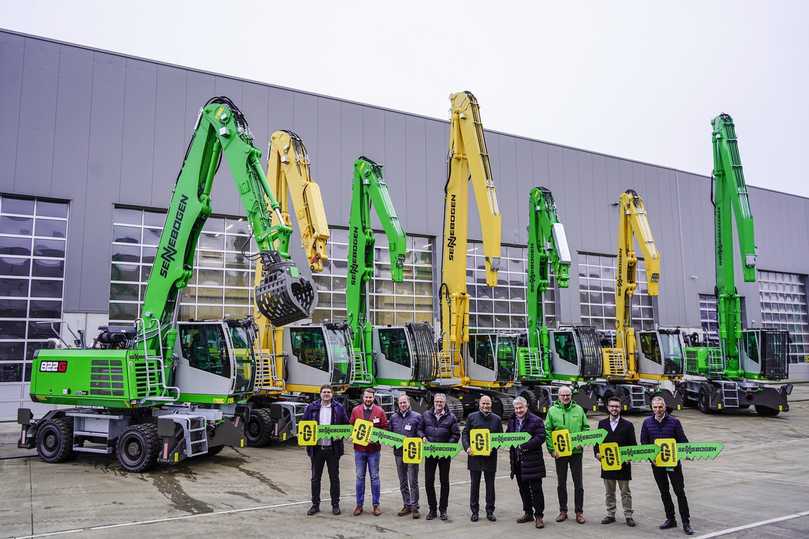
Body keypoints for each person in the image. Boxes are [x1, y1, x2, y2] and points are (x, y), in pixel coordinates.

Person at [641, 395, 694, 535]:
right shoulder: (647, 423)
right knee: (664, 492)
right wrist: (650, 457)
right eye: (655, 407)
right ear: (651, 408)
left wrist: (688, 453)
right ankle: (671, 519)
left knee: (679, 492)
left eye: (660, 407)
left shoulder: (674, 422)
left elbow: (683, 441)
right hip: (657, 464)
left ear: (665, 407)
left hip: (673, 464)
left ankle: (686, 522)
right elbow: (644, 443)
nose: (658, 410)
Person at [301, 384, 350, 516]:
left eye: (329, 392)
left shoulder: (339, 408)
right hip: (317, 449)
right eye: (324, 392)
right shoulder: (311, 408)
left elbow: (346, 425)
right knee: (315, 479)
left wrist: (342, 434)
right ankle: (315, 505)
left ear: (332, 394)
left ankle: (335, 505)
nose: (326, 394)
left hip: (333, 449)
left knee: (334, 478)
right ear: (320, 394)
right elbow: (304, 424)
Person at [545, 385, 589, 524]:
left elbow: (586, 428)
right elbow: (548, 431)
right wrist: (552, 450)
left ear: (571, 396)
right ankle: (563, 511)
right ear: (558, 396)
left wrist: (582, 442)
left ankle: (579, 512)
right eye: (563, 395)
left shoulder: (579, 409)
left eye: (568, 395)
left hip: (576, 452)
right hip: (561, 453)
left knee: (579, 484)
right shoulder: (552, 411)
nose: (565, 397)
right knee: (561, 483)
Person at [593, 396, 637, 527]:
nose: (614, 408)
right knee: (609, 492)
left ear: (620, 408)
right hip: (607, 464)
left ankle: (628, 515)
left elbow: (633, 445)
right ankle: (610, 514)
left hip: (623, 465)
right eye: (612, 406)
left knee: (625, 492)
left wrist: (630, 457)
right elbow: (597, 443)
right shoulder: (602, 424)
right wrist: (597, 453)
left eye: (617, 406)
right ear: (608, 407)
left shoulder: (628, 425)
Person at [507, 396, 547, 529]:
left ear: (526, 407)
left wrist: (524, 446)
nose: (518, 410)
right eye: (516, 408)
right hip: (517, 461)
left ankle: (539, 516)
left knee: (536, 490)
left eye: (521, 408)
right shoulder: (512, 420)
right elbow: (509, 435)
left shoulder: (536, 420)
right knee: (523, 489)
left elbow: (541, 437)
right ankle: (528, 513)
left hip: (532, 461)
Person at [461, 395, 503, 522]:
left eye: (488, 404)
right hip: (475, 457)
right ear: (479, 404)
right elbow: (465, 434)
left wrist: (494, 447)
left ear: (491, 404)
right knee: (475, 485)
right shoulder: (471, 417)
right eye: (483, 403)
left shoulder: (497, 419)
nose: (486, 406)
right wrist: (467, 447)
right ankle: (474, 512)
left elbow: (500, 438)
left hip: (490, 457)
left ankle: (490, 511)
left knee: (490, 486)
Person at [419, 393, 460, 521]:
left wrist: (448, 445)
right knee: (429, 481)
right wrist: (423, 437)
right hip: (430, 453)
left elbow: (456, 434)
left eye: (441, 402)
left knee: (444, 482)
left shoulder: (451, 417)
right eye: (437, 401)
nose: (439, 404)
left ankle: (443, 510)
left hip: (444, 454)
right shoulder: (426, 415)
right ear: (434, 402)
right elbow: (419, 429)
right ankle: (432, 509)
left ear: (445, 403)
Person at [349, 388, 388, 516]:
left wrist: (376, 439)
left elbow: (384, 429)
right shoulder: (356, 410)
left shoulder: (380, 411)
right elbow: (351, 426)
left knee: (375, 477)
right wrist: (351, 435)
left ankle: (376, 505)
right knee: (360, 477)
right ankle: (359, 505)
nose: (368, 399)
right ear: (363, 397)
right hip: (359, 450)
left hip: (374, 451)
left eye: (370, 397)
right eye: (366, 397)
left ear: (373, 398)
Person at [389, 394, 423, 519]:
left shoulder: (417, 417)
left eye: (405, 402)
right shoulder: (393, 417)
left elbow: (420, 431)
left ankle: (415, 506)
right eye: (401, 403)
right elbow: (390, 433)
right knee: (403, 481)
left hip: (412, 454)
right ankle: (407, 504)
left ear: (409, 403)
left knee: (413, 481)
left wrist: (421, 437)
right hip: (398, 453)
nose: (403, 405)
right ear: (398, 404)